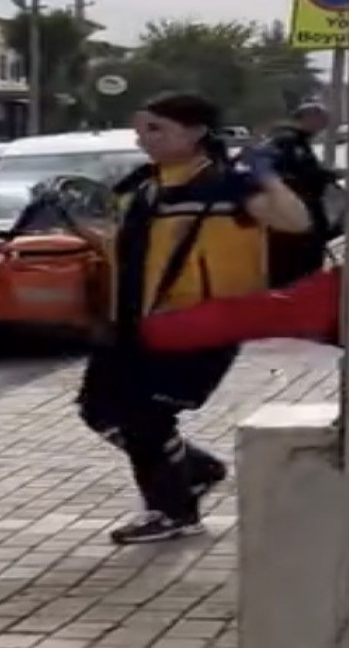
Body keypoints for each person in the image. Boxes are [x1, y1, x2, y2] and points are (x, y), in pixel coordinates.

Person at [78, 92, 312, 545]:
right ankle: (193, 469)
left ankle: (172, 509)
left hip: (200, 323)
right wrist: (75, 225)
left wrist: (266, 178)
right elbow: (125, 252)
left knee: (146, 418)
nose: (143, 139)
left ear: (196, 132)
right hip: (133, 321)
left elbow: (296, 221)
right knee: (99, 409)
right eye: (141, 129)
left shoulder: (226, 186)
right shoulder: (143, 186)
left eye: (155, 129)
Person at [255, 102, 343, 287]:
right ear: (307, 119)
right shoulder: (288, 141)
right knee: (297, 276)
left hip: (297, 220)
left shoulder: (295, 141)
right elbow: (295, 176)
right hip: (295, 222)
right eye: (321, 121)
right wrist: (323, 176)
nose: (322, 127)